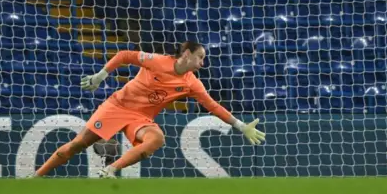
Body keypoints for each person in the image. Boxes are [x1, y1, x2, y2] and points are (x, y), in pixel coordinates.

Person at [34, 41, 266, 178]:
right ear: (186, 54)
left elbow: (212, 105)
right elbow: (125, 55)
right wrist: (100, 76)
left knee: (156, 139)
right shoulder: (156, 60)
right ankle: (34, 178)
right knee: (77, 145)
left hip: (141, 118)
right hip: (117, 106)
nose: (202, 63)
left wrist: (240, 125)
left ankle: (111, 170)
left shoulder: (192, 82)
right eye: (200, 58)